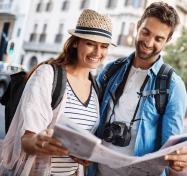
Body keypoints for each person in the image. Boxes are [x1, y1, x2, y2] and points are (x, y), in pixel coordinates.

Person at [0, 9, 116, 175]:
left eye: (104, 46)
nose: (98, 52)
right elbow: (26, 141)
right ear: (76, 42)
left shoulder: (96, 88)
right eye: (91, 43)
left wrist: (85, 156)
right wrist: (39, 142)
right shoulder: (47, 75)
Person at [88, 2, 187, 176]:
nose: (149, 42)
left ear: (168, 40)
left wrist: (178, 159)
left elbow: (170, 150)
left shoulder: (173, 86)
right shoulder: (110, 70)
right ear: (138, 26)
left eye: (159, 39)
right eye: (146, 32)